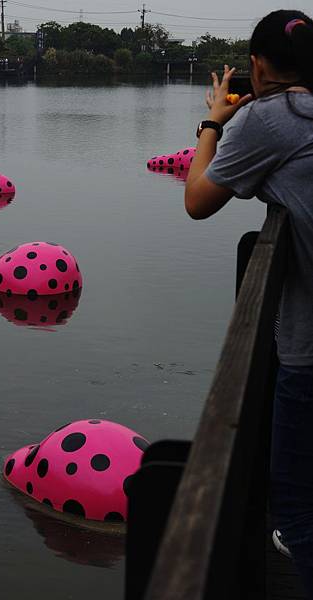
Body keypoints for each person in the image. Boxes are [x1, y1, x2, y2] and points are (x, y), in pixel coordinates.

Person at [185, 9, 313, 597]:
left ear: (257, 67)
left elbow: (198, 200)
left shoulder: (271, 116)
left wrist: (213, 122)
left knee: (295, 508)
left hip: (309, 350)